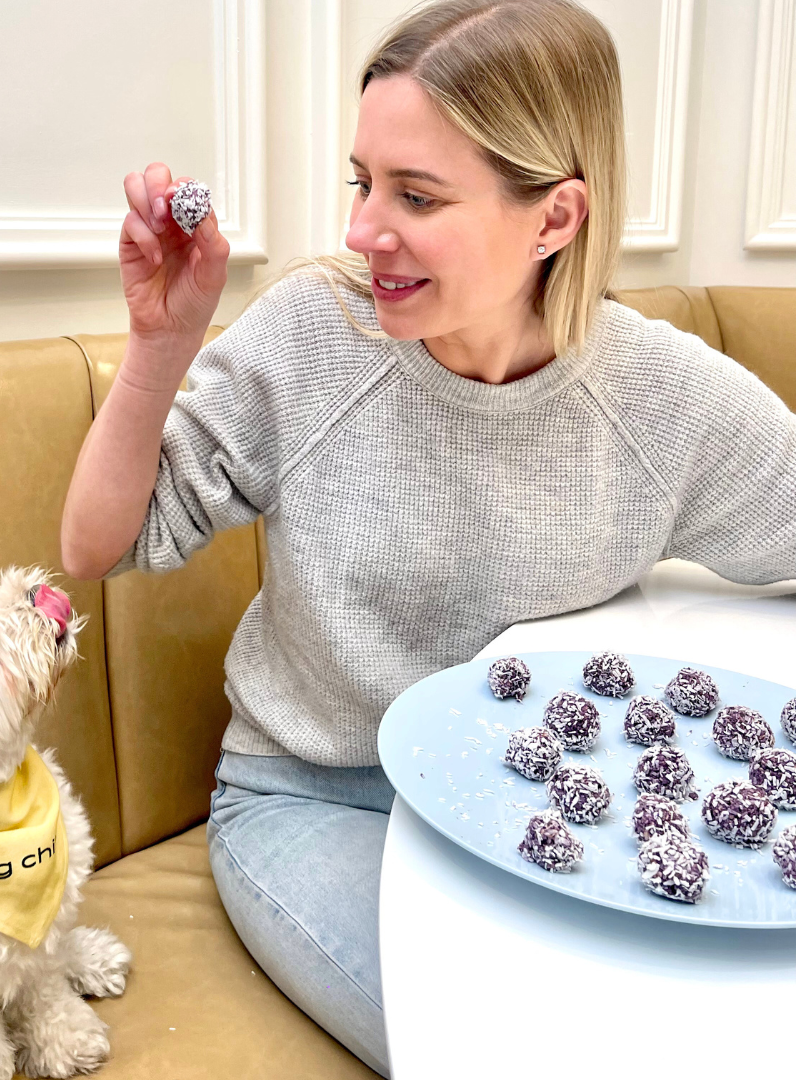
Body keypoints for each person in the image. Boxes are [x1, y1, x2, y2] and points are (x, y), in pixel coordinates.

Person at [61, 1, 796, 1075]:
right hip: (313, 798)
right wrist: (157, 346)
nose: (362, 230)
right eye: (363, 181)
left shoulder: (660, 399)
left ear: (554, 219)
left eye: (416, 195)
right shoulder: (315, 330)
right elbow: (99, 546)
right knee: (508, 1054)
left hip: (535, 807)